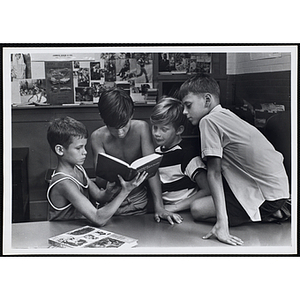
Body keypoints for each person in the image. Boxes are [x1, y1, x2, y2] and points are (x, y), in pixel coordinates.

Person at [179, 74, 290, 246]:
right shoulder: (226, 114)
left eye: (188, 105)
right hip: (279, 188)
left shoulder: (208, 121)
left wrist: (222, 225)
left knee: (198, 209)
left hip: (267, 196)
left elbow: (214, 173)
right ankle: (274, 208)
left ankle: (271, 213)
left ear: (207, 100)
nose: (185, 112)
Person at [91, 88, 182, 225]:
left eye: (124, 125)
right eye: (114, 127)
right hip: (111, 204)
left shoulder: (141, 128)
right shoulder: (97, 137)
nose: (120, 132)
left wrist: (159, 206)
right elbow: (100, 179)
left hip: (138, 201)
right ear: (102, 118)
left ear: (132, 114)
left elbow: (152, 169)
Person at [46, 116, 147, 226]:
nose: (85, 152)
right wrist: (125, 191)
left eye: (84, 147)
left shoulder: (78, 168)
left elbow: (99, 196)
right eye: (78, 148)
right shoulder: (64, 183)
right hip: (63, 235)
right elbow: (98, 219)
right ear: (60, 150)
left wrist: (109, 191)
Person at [150, 97, 211, 213]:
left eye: (164, 129)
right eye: (155, 127)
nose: (157, 133)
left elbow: (207, 189)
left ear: (179, 130)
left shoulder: (186, 154)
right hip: (164, 210)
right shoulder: (157, 151)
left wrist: (175, 207)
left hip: (184, 210)